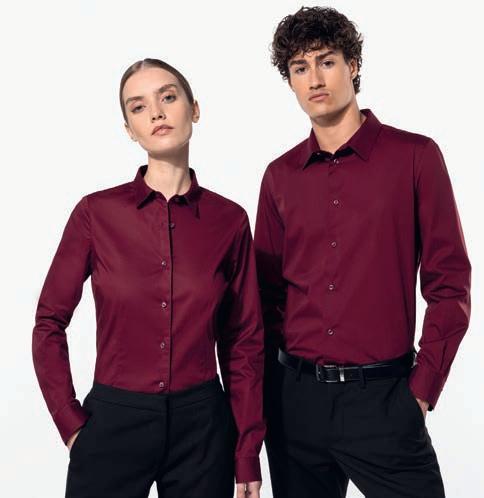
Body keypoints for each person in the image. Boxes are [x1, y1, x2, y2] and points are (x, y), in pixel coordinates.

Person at [254, 7, 471, 498]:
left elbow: (449, 282)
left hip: (385, 402)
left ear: (352, 65)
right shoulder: (279, 176)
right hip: (296, 405)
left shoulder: (415, 157)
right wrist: (268, 399)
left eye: (326, 62)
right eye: (300, 68)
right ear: (289, 81)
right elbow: (265, 301)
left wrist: (421, 390)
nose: (314, 79)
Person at [32, 58, 265, 498]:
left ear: (194, 109)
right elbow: (49, 322)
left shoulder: (229, 221)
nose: (156, 112)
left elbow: (244, 342)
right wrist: (70, 423)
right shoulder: (95, 214)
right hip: (112, 425)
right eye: (138, 107)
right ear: (129, 129)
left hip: (203, 431)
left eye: (168, 97)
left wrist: (247, 451)